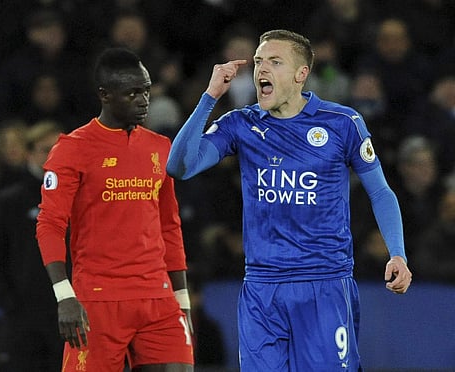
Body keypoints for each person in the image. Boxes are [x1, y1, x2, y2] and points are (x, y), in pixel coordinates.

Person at [167, 29, 412, 371]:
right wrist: (209, 96)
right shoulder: (242, 124)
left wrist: (397, 253)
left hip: (324, 284)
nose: (261, 70)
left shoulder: (342, 123)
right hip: (262, 289)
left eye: (274, 62)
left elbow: (381, 191)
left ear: (301, 74)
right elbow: (178, 166)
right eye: (258, 62)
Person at [36, 47, 193, 372]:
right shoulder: (73, 149)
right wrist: (64, 294)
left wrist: (182, 299)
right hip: (98, 298)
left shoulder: (160, 147)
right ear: (105, 95)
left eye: (146, 90)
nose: (143, 100)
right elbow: (50, 224)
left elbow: (170, 226)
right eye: (132, 93)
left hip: (157, 296)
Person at [0, 121, 64, 371]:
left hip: (69, 315)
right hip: (23, 321)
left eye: (58, 148)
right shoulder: (7, 203)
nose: (53, 156)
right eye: (46, 149)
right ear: (29, 153)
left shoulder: (81, 198)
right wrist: (11, 302)